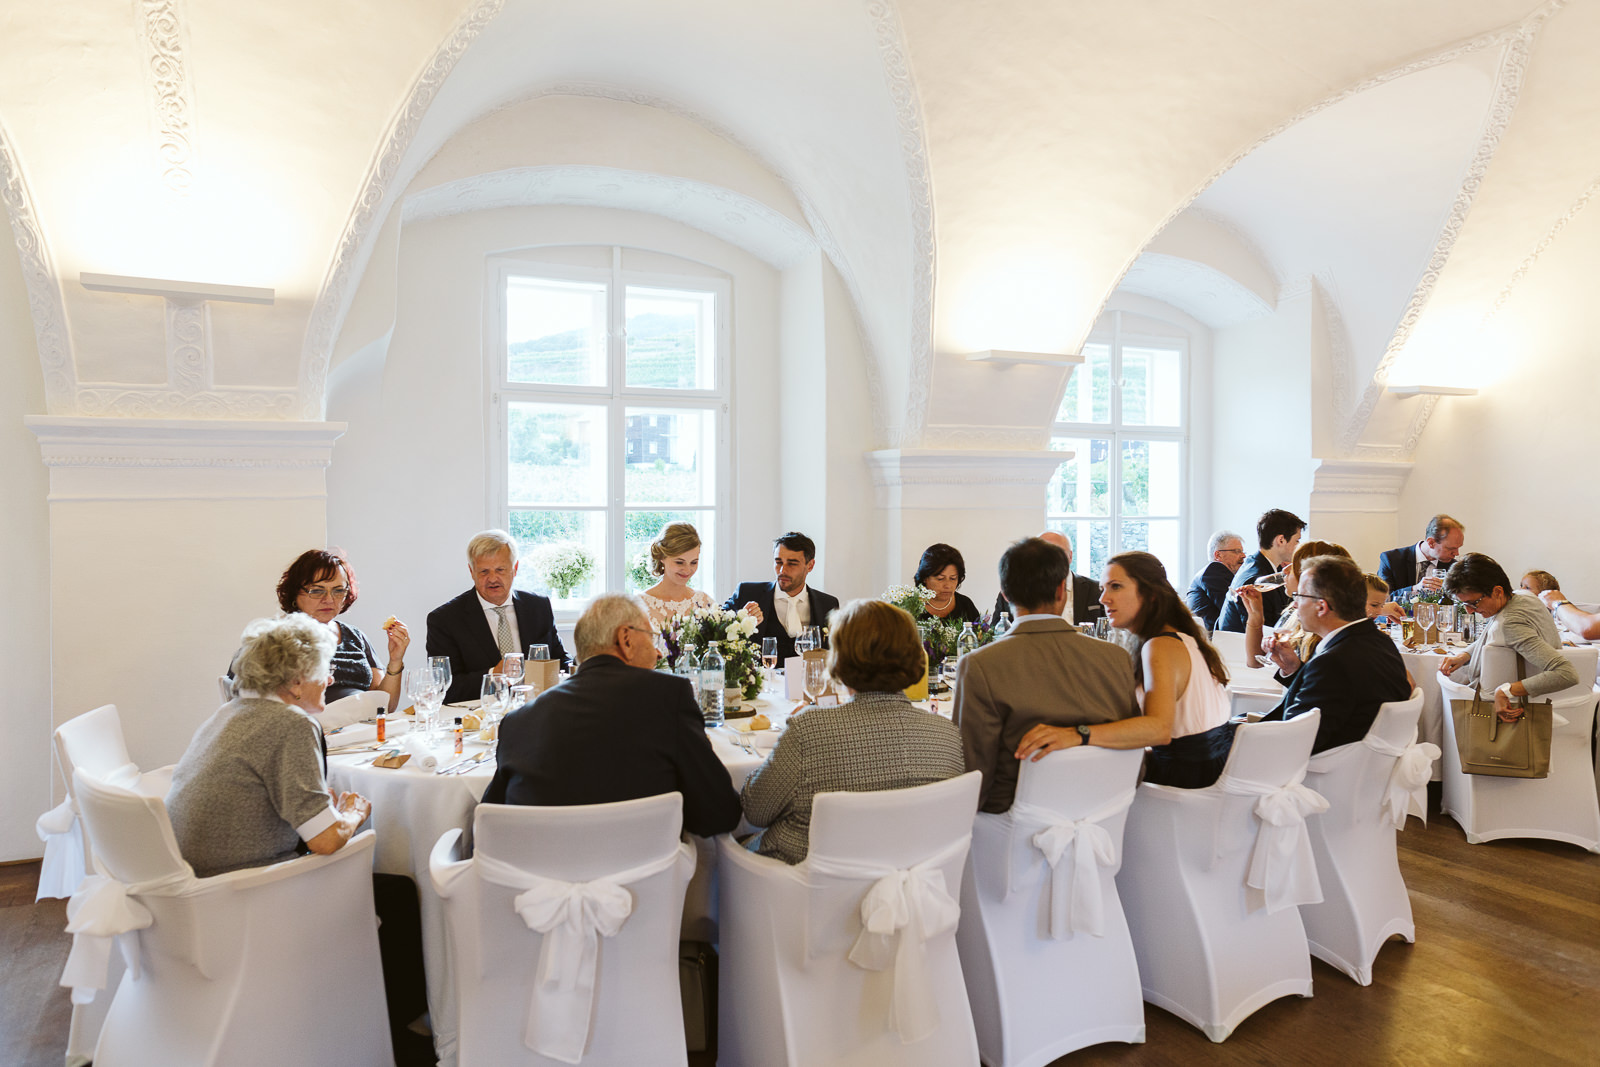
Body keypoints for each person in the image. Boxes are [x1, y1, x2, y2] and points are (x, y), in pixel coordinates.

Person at [482, 595, 741, 836]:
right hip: (645, 875)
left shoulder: (517, 722)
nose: (658, 653)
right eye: (651, 639)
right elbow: (719, 814)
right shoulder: (668, 696)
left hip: (536, 878)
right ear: (626, 639)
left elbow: (489, 823)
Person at [741, 599, 965, 864]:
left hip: (805, 882)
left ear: (840, 658)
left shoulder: (809, 730)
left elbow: (756, 810)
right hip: (911, 872)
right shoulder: (947, 734)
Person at [168, 614, 372, 877]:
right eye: (326, 670)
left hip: (195, 877)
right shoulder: (292, 723)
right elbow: (326, 841)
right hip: (246, 886)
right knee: (399, 891)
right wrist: (352, 814)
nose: (330, 680)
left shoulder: (229, 711)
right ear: (297, 681)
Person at [1018, 551, 1234, 788]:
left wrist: (1078, 733)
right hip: (1207, 778)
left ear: (1151, 593)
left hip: (1180, 788)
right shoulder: (1187, 639)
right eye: (1102, 588)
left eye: (1115, 587)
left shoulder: (1160, 646)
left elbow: (1158, 730)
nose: (1103, 598)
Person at [955, 537, 1138, 813]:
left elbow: (975, 775)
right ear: (1061, 591)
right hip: (1105, 812)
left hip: (1013, 824)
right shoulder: (1117, 658)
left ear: (1005, 595)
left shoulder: (980, 665)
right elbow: (1134, 749)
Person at [1257, 555, 1411, 753]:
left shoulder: (1334, 662)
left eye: (1299, 596)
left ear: (1321, 607)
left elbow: (1294, 737)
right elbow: (1334, 698)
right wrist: (1293, 668)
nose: (1294, 605)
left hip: (1323, 767)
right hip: (1357, 757)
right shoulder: (1378, 641)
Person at [254, 548, 410, 713]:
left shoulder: (355, 637)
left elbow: (384, 707)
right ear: (295, 593)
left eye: (338, 590)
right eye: (316, 591)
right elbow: (256, 705)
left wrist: (395, 660)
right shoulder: (274, 638)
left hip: (361, 730)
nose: (328, 599)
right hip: (307, 731)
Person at [426, 530, 568, 703]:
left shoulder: (538, 607)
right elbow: (445, 688)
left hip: (536, 710)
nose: (492, 578)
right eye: (484, 571)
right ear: (471, 572)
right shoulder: (445, 619)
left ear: (515, 569)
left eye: (500, 570)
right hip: (478, 717)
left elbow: (560, 662)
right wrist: (494, 674)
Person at [1440, 554, 1579, 721]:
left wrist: (1507, 690)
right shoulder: (1522, 596)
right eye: (1463, 604)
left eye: (1473, 603)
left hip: (1500, 710)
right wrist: (1465, 655)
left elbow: (1566, 673)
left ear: (1498, 591)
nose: (1469, 611)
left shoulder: (1511, 624)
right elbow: (1493, 634)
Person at [724, 531, 841, 662]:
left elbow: (836, 654)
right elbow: (715, 629)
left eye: (792, 563)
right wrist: (740, 619)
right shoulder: (747, 593)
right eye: (778, 562)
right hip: (762, 681)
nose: (782, 570)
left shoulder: (828, 604)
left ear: (810, 565)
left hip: (809, 681)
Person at [1238, 539, 1353, 669]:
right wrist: (1255, 615)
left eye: (1294, 565)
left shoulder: (1323, 623)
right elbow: (1256, 662)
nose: (1285, 570)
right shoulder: (1293, 610)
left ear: (1311, 575)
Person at [990, 529, 1107, 628]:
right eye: (1041, 557)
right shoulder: (1015, 590)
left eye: (1057, 554)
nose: (1049, 561)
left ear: (1070, 556)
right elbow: (995, 634)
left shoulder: (1096, 590)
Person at [1216, 508, 1305, 633]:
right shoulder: (1256, 579)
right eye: (1297, 540)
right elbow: (1267, 630)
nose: (1298, 546)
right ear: (1281, 540)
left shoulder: (1266, 566)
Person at [640, 521, 714, 632]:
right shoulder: (641, 605)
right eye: (679, 562)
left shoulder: (704, 602)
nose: (687, 570)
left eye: (693, 562)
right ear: (662, 557)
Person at [1378, 514, 1465, 601]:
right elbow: (1382, 600)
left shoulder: (1453, 567)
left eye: (1458, 547)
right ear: (1431, 543)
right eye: (1451, 548)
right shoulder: (1391, 560)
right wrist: (1414, 589)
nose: (1456, 553)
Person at [1186, 529, 1246, 631]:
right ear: (1218, 555)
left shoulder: (1213, 573)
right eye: (1237, 551)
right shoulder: (1213, 570)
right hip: (1217, 639)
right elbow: (1234, 609)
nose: (1243, 555)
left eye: (1242, 551)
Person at [913, 542, 982, 624]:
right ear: (925, 578)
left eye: (953, 578)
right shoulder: (907, 605)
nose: (948, 585)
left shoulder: (966, 605)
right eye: (940, 579)